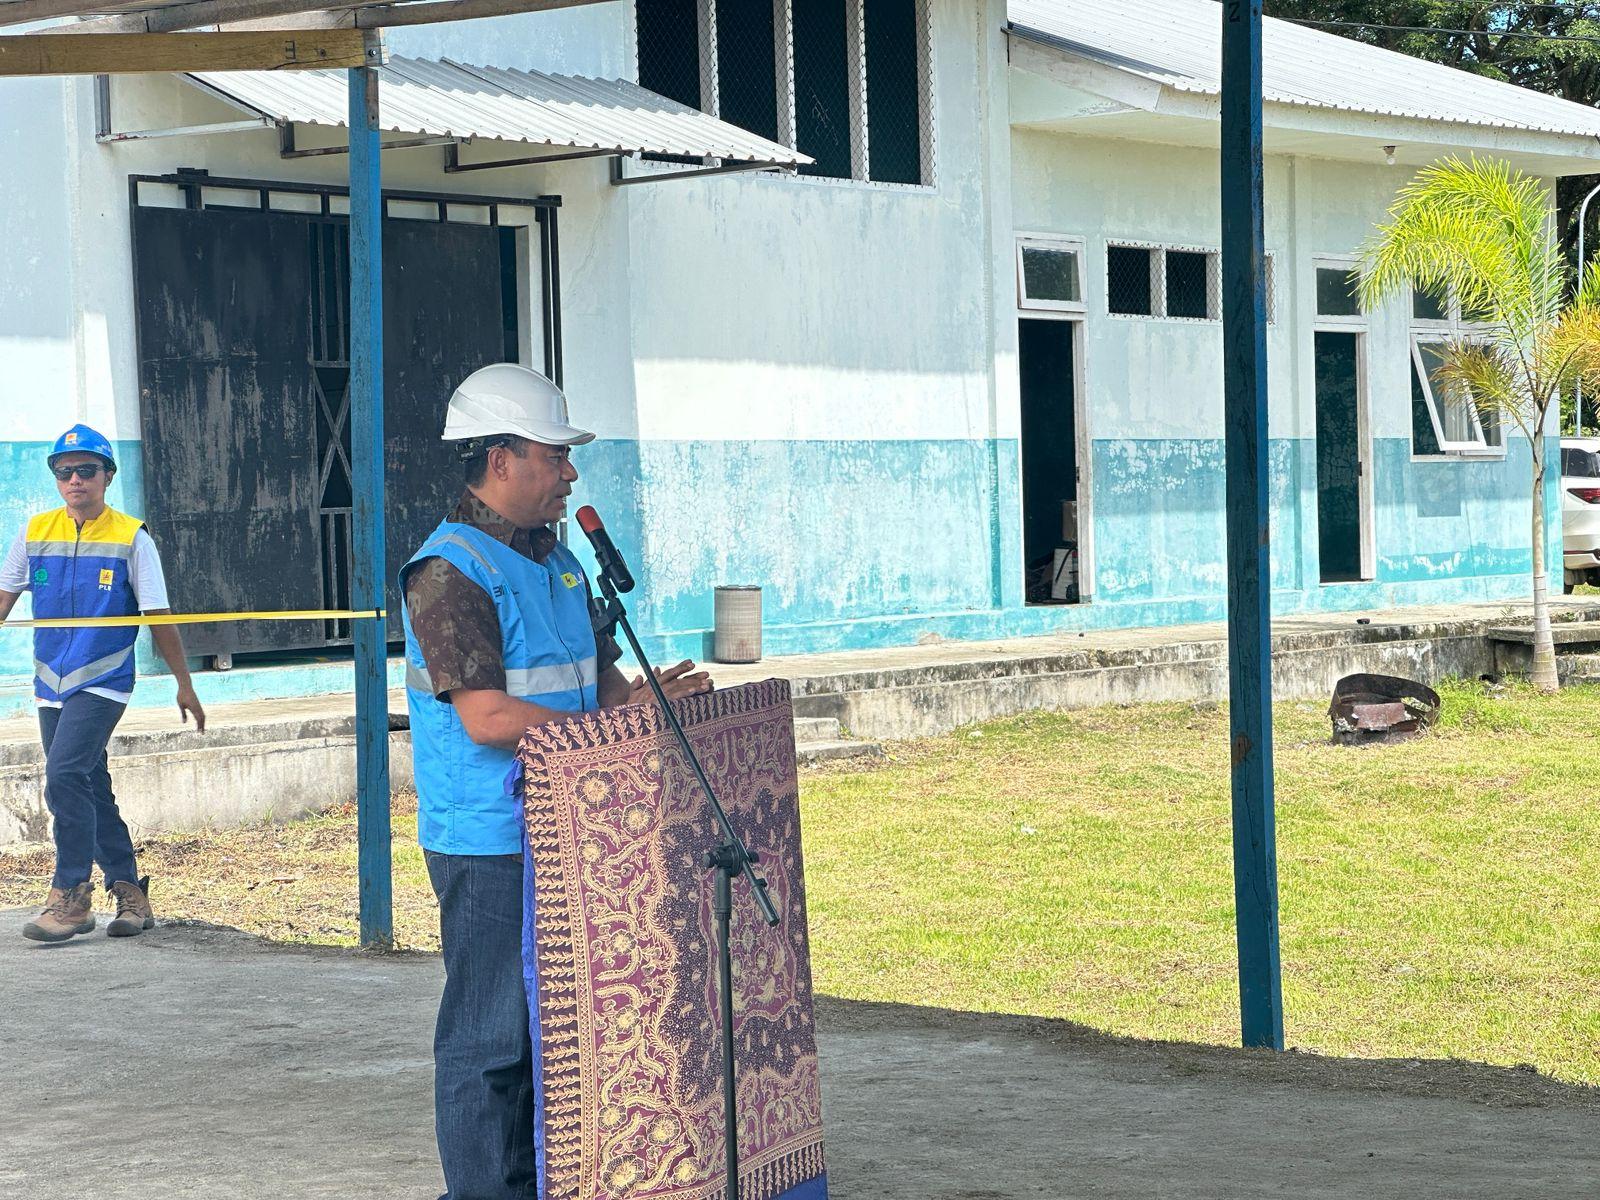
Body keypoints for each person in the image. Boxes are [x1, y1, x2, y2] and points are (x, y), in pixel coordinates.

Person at [402, 364, 710, 1200]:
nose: (570, 473)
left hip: (575, 829)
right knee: (489, 1039)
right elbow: (489, 719)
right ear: (500, 458)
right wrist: (616, 727)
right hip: (492, 843)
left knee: (557, 1038)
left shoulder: (562, 564)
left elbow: (601, 690)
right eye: (554, 454)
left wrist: (654, 704)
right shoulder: (448, 571)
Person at [0, 424, 206, 943]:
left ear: (108, 477)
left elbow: (159, 616)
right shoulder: (34, 532)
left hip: (103, 680)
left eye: (87, 470)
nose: (75, 479)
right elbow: (4, 600)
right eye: (64, 471)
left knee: (64, 775)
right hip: (51, 682)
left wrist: (184, 683)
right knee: (91, 785)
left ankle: (70, 896)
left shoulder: (132, 538)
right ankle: (130, 890)